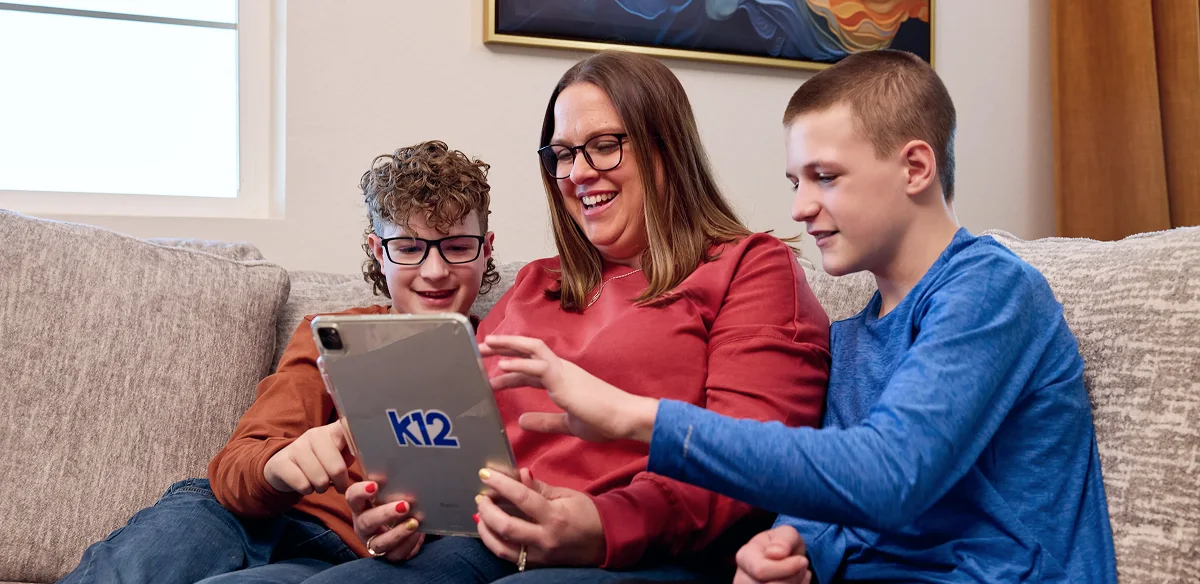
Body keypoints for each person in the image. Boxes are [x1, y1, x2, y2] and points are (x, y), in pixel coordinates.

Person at [482, 50, 1118, 583]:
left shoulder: (991, 291)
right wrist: (794, 543)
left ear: (915, 167)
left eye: (825, 177)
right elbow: (832, 487)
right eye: (795, 182)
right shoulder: (860, 334)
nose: (801, 207)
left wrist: (635, 417)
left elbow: (889, 475)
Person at [328, 50, 831, 584]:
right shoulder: (535, 283)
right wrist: (412, 514)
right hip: (485, 539)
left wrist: (599, 523)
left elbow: (753, 462)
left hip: (647, 553)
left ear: (667, 148)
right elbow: (461, 440)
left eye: (605, 146)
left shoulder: (749, 268)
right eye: (563, 154)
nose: (579, 173)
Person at [58, 140, 501, 582]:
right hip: (248, 518)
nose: (435, 270)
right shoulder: (329, 334)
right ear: (378, 251)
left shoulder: (504, 350)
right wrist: (278, 464)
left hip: (347, 560)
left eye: (457, 246)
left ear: (486, 248)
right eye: (408, 247)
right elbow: (236, 468)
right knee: (156, 549)